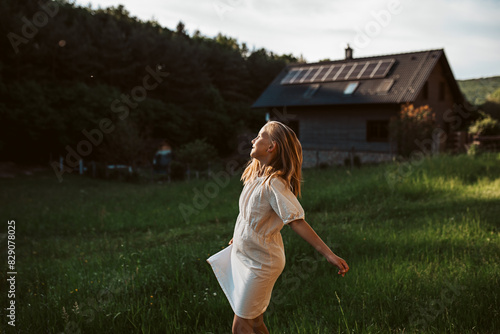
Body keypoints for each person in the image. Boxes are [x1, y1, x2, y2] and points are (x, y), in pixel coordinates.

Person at [207, 121, 349, 334]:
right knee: (254, 322)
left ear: (272, 146)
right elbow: (249, 214)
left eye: (259, 135)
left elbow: (296, 221)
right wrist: (239, 236)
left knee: (240, 325)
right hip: (245, 255)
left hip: (262, 262)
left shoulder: (275, 184)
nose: (254, 140)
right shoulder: (255, 178)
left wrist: (329, 255)